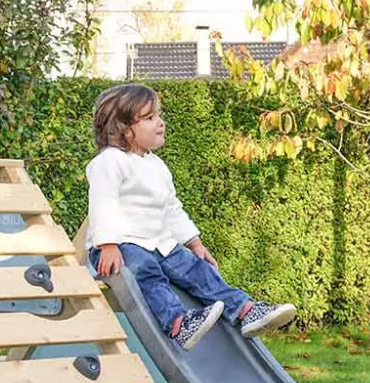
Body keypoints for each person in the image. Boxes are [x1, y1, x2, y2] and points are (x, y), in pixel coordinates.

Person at [86, 83, 296, 351]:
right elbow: (103, 203)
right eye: (150, 118)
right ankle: (178, 324)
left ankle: (245, 310)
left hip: (160, 243)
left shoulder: (156, 166)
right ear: (124, 129)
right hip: (122, 246)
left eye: (158, 116)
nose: (160, 123)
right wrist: (107, 245)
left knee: (200, 271)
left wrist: (194, 244)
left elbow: (171, 208)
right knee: (147, 273)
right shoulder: (110, 161)